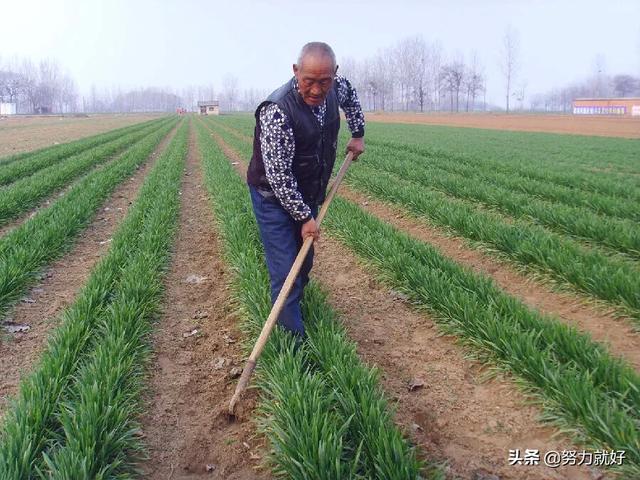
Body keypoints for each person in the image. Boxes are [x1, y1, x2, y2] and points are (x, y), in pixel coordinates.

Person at [247, 41, 365, 340]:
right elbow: (279, 176)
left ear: (334, 75)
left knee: (304, 260)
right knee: (286, 269)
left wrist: (358, 134)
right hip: (272, 196)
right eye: (308, 81)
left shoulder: (337, 86)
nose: (315, 89)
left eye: (324, 82)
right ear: (295, 71)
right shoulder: (277, 111)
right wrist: (304, 218)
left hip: (309, 189)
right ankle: (293, 348)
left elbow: (351, 101)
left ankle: (294, 301)